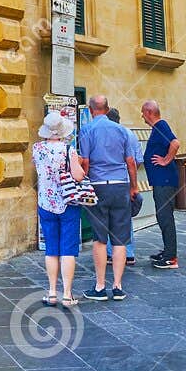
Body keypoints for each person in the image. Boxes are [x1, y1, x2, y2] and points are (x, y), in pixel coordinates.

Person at [75, 94, 139, 301]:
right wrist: (133, 187)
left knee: (100, 239)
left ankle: (100, 286)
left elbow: (85, 162)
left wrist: (83, 179)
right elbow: (130, 161)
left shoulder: (86, 130)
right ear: (108, 108)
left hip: (98, 186)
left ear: (91, 110)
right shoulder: (121, 130)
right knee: (120, 239)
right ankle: (118, 286)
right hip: (120, 185)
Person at [30, 112, 84, 310]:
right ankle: (67, 295)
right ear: (62, 131)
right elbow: (78, 176)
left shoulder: (37, 148)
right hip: (67, 202)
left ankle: (52, 292)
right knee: (68, 249)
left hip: (45, 203)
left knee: (51, 248)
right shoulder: (68, 149)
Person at [140, 99, 181, 269]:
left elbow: (175, 143)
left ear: (149, 112)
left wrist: (165, 160)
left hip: (165, 181)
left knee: (165, 217)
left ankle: (171, 257)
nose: (142, 116)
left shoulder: (161, 126)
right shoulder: (158, 128)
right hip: (161, 181)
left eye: (143, 112)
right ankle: (167, 251)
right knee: (162, 216)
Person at [105, 108, 141, 266]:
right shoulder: (130, 134)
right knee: (124, 218)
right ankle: (129, 253)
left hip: (107, 182)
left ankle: (110, 253)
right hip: (125, 181)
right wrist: (132, 180)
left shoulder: (105, 135)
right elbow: (137, 160)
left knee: (107, 217)